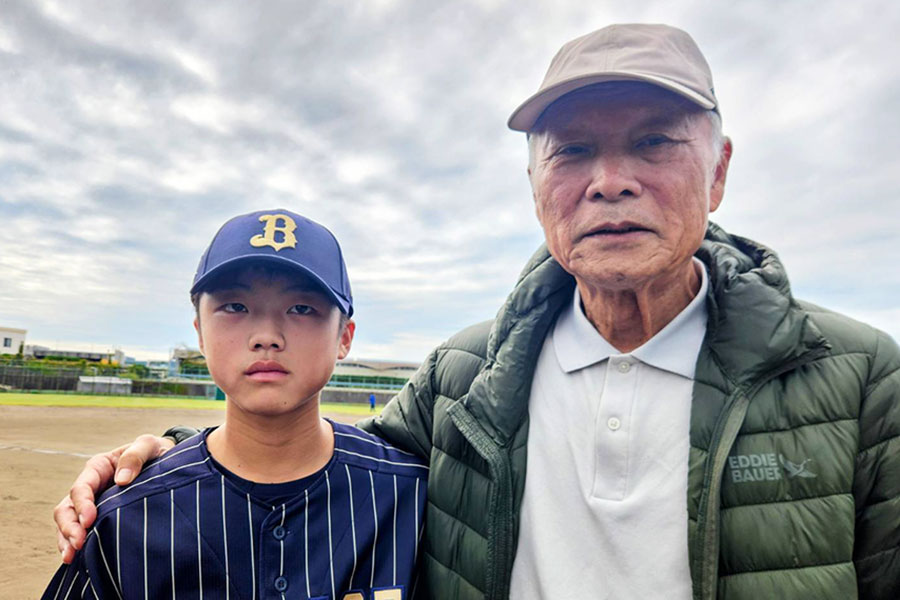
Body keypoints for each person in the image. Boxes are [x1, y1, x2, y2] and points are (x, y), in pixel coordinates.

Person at [54, 25, 899, 600]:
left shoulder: (860, 381)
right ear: (536, 187)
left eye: (653, 141)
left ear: (717, 172)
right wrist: (160, 455)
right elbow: (300, 446)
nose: (610, 180)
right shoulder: (465, 379)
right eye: (571, 150)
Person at [45, 209, 426, 599]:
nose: (266, 336)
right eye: (235, 307)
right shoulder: (125, 516)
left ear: (344, 336)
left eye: (301, 308)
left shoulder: (414, 497)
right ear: (200, 333)